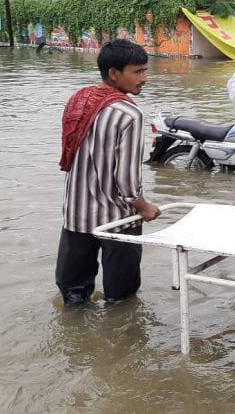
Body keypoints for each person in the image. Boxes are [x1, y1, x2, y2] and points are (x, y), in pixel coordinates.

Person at [56, 39, 161, 306]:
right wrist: (144, 207)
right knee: (121, 299)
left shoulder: (78, 100)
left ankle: (77, 342)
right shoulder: (129, 114)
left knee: (74, 295)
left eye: (145, 71)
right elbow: (126, 182)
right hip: (117, 220)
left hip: (76, 214)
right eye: (137, 72)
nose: (144, 78)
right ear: (114, 73)